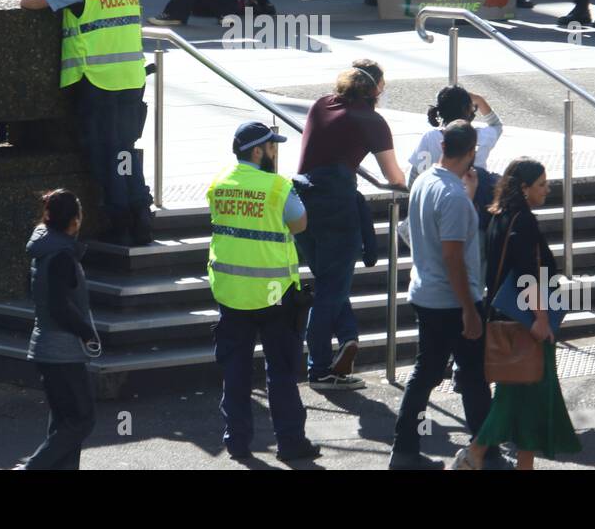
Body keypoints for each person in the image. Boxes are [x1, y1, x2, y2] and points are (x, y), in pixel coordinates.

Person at [19, 0, 154, 246]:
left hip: (98, 83)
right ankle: (142, 216)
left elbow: (31, 3)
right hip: (132, 79)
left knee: (106, 155)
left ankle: (119, 222)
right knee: (125, 151)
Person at [455, 158, 580, 470]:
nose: (547, 189)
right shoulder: (522, 221)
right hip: (524, 324)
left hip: (505, 317)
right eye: (541, 184)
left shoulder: (501, 216)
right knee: (518, 396)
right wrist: (539, 318)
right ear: (524, 189)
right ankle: (475, 453)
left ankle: (516, 462)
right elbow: (526, 274)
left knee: (526, 398)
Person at [207, 121, 320, 463]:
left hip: (231, 294)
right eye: (272, 146)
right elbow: (299, 224)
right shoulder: (277, 187)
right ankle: (290, 443)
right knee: (281, 372)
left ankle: (237, 442)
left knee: (236, 372)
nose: (275, 152)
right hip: (274, 295)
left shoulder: (218, 184)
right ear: (258, 151)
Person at [295, 59, 406, 390]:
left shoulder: (320, 105)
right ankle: (318, 370)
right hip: (337, 210)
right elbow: (393, 176)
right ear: (375, 90)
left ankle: (347, 340)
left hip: (302, 204)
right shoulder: (372, 120)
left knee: (329, 282)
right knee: (331, 289)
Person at [390, 121, 491, 470]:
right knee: (475, 377)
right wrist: (470, 309)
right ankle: (486, 452)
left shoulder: (425, 181)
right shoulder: (452, 198)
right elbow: (452, 256)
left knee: (427, 372)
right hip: (451, 301)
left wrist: (470, 199)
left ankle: (404, 450)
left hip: (426, 293)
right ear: (472, 151)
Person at [16, 189, 98, 470]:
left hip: (45, 345)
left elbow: (36, 294)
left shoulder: (43, 249)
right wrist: (87, 332)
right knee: (82, 420)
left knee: (64, 423)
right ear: (74, 221)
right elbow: (60, 307)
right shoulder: (61, 255)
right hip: (63, 351)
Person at [407, 85, 502, 231]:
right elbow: (496, 125)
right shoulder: (482, 137)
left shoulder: (430, 137)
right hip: (475, 209)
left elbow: (415, 177)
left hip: (435, 209)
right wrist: (480, 100)